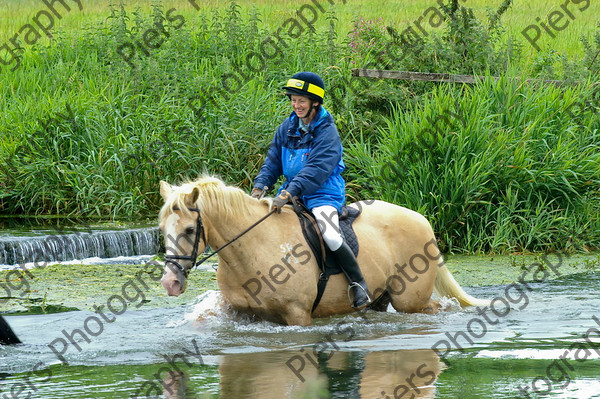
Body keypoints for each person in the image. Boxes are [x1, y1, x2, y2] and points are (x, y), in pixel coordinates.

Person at [251, 71, 371, 308]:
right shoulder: (287, 127)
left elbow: (316, 170)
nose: (296, 105)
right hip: (293, 192)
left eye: (302, 101)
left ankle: (359, 284)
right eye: (293, 100)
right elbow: (273, 161)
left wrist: (287, 193)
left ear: (315, 102)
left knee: (330, 234)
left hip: (323, 194)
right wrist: (260, 187)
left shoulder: (327, 131)